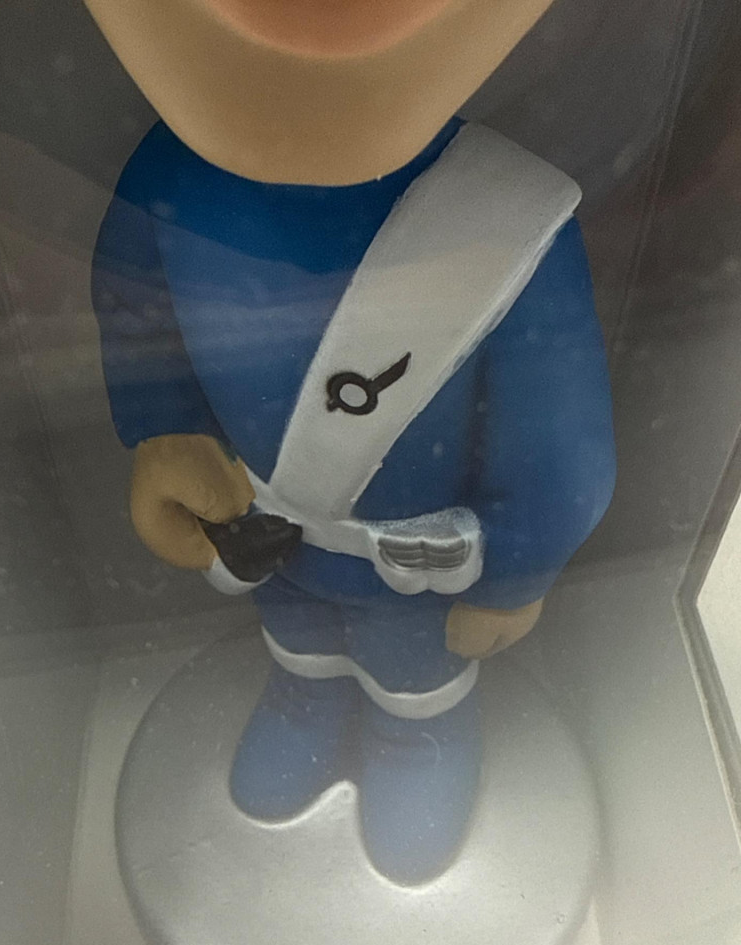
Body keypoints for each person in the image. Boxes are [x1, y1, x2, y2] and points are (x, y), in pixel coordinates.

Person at [86, 0, 616, 884]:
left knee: (413, 669)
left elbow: (557, 431)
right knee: (296, 632)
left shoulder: (509, 221)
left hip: (414, 567)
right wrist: (162, 430)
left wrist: (520, 567)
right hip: (263, 534)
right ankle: (306, 697)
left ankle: (420, 737)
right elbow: (135, 312)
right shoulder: (165, 176)